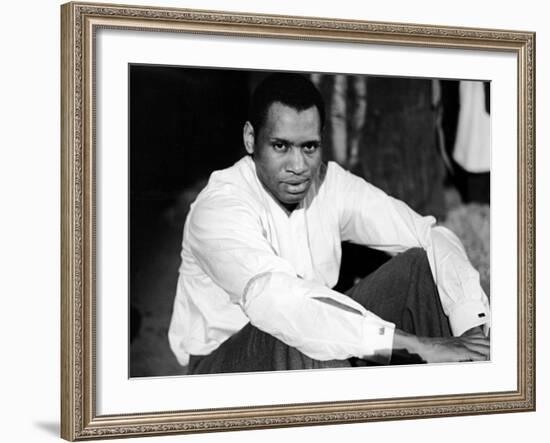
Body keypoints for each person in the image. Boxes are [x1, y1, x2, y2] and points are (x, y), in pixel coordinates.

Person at [168, 73, 490, 374]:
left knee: (419, 266)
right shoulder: (220, 206)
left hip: (307, 341)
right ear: (251, 139)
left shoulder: (329, 183)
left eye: (309, 147)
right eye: (280, 146)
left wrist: (470, 332)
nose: (298, 166)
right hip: (226, 366)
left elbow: (427, 233)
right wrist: (418, 346)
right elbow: (280, 303)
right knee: (304, 331)